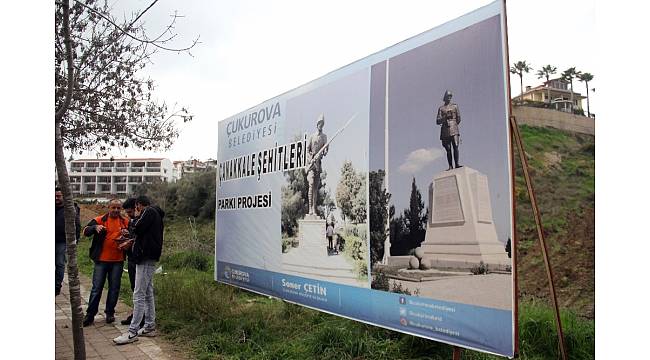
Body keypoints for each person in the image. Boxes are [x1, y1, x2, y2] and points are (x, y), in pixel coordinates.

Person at [114, 195, 164, 345]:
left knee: (138, 294)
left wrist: (135, 219)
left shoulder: (148, 212)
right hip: (146, 256)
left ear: (138, 206)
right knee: (147, 293)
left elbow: (137, 228)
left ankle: (132, 331)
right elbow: (140, 232)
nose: (134, 213)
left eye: (134, 210)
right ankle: (149, 326)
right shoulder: (153, 214)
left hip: (145, 257)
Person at [82, 198, 129, 326]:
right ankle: (90, 315)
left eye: (118, 208)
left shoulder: (125, 222)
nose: (116, 210)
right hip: (101, 261)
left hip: (118, 261)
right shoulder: (99, 220)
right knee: (97, 288)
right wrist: (95, 228)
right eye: (113, 207)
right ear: (108, 207)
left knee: (114, 288)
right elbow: (85, 231)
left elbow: (132, 237)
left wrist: (127, 234)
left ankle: (110, 313)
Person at [119, 198, 145, 328]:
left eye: (130, 212)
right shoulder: (132, 221)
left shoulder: (143, 220)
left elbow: (141, 238)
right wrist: (126, 235)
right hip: (131, 258)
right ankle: (136, 314)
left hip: (139, 259)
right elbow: (133, 236)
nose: (128, 215)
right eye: (127, 213)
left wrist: (131, 241)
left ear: (136, 208)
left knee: (140, 290)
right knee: (134, 289)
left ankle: (142, 317)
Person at [55, 187, 80, 296]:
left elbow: (77, 226)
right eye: (55, 196)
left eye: (59, 196)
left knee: (60, 264)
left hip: (62, 241)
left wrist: (75, 241)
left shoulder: (70, 209)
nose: (56, 198)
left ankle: (56, 286)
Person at [306, 114, 328, 217]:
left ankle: (314, 209)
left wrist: (325, 150)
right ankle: (310, 208)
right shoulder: (312, 136)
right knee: (310, 185)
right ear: (317, 124)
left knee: (315, 188)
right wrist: (310, 158)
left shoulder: (324, 137)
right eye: (319, 123)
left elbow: (326, 151)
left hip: (318, 165)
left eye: (322, 124)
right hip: (311, 164)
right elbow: (307, 150)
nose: (321, 125)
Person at [436, 90, 462, 170]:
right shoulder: (441, 108)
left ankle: (457, 164)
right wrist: (445, 117)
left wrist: (453, 122)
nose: (449, 98)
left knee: (456, 146)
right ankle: (450, 165)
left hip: (454, 127)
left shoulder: (455, 106)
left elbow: (458, 118)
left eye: (450, 96)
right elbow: (437, 121)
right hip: (445, 129)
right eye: (448, 96)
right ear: (445, 98)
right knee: (448, 149)